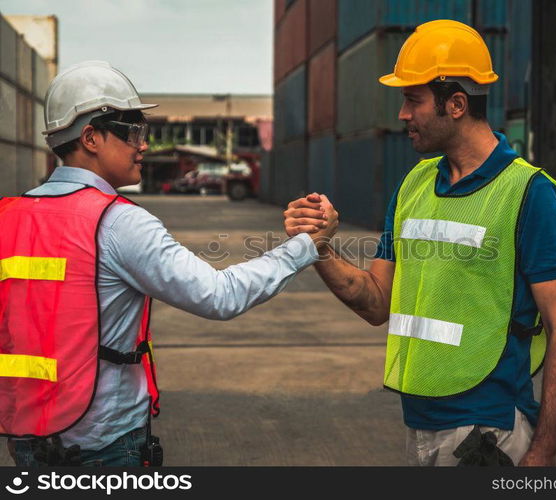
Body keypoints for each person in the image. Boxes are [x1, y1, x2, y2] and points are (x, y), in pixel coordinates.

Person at [0, 61, 336, 466]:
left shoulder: (9, 215)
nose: (143, 145)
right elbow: (219, 295)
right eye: (133, 132)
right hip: (103, 445)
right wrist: (304, 246)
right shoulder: (119, 221)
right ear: (90, 136)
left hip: (27, 437)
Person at [284, 20, 556, 466]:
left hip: (489, 429)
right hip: (419, 422)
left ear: (456, 104)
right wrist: (320, 248)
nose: (402, 114)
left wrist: (544, 450)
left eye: (412, 100)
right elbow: (375, 303)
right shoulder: (414, 185)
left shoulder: (530, 193)